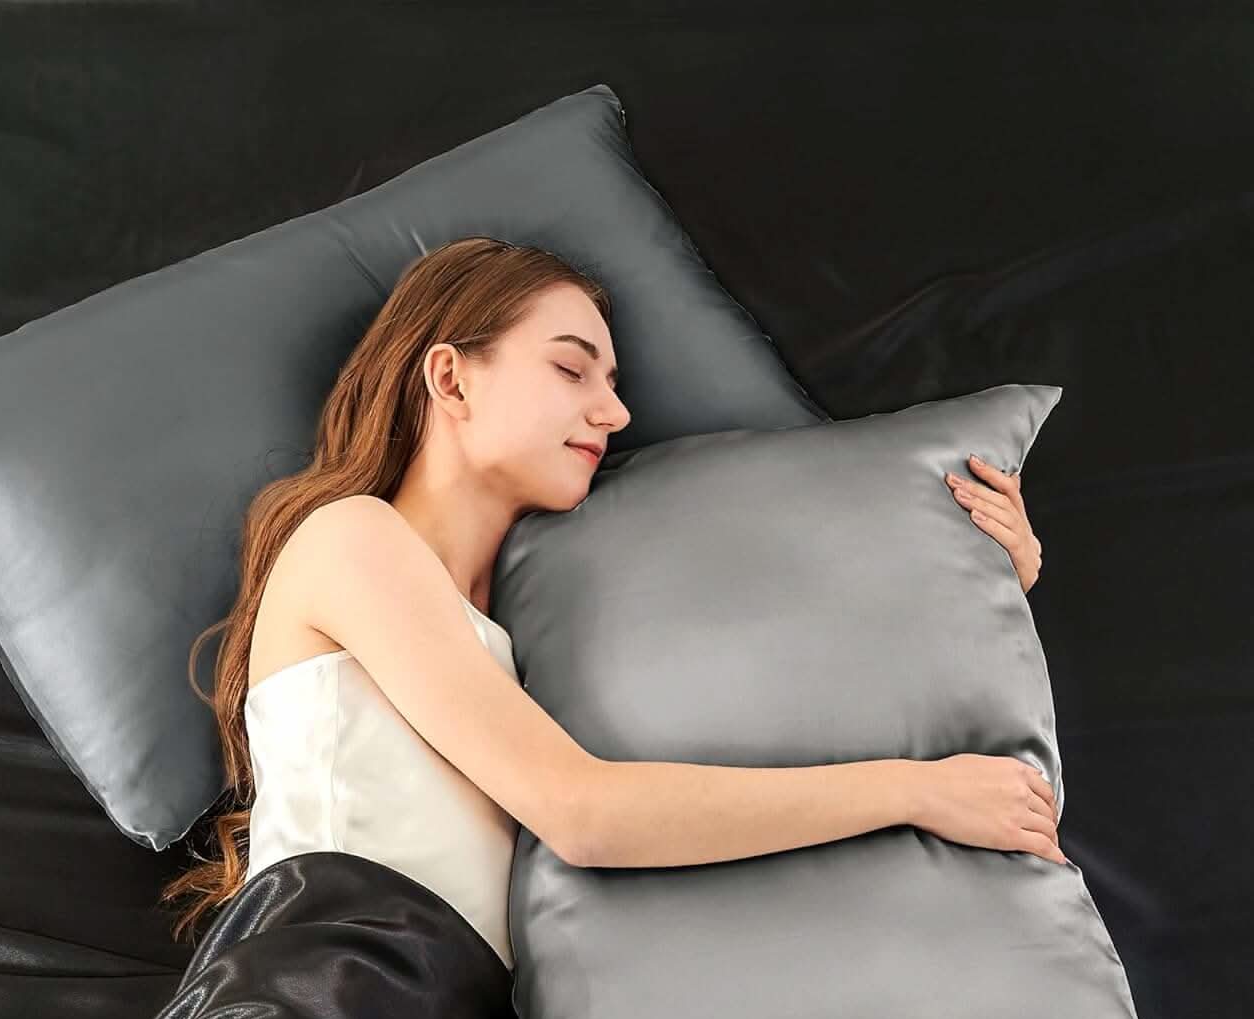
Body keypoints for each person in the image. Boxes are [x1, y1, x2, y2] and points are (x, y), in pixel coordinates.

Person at [162, 236, 1063, 956]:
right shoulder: (354, 539)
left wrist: (983, 582)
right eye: (571, 368)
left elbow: (780, 690)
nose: (615, 412)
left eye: (615, 382)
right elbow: (584, 814)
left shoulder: (525, 623)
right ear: (450, 378)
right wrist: (914, 792)